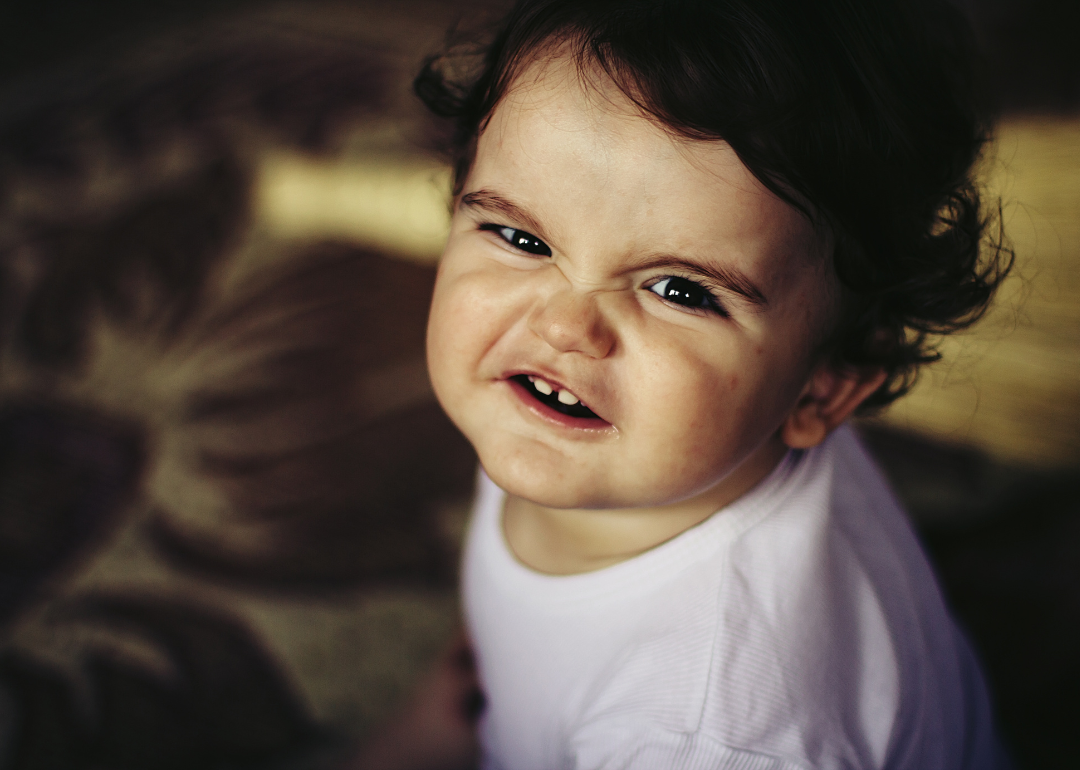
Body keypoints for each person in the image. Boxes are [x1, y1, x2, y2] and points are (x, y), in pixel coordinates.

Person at [407, 0, 1014, 767]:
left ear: (820, 392)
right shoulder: (603, 426)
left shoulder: (714, 733)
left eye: (680, 292)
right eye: (523, 238)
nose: (564, 327)